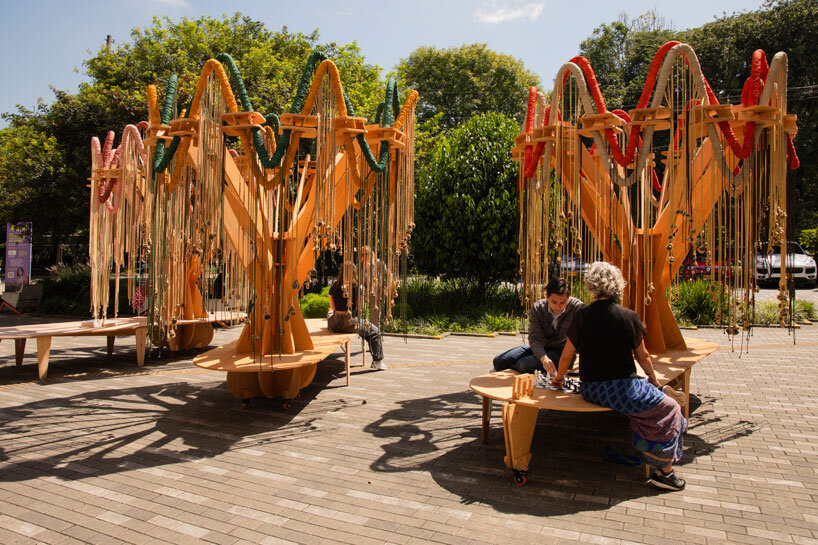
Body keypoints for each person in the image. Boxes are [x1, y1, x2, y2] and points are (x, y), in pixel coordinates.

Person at [547, 262, 687, 491]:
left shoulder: (582, 315)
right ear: (617, 286)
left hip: (591, 388)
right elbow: (642, 356)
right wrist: (653, 377)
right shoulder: (629, 316)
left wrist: (559, 379)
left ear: (592, 286)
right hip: (623, 388)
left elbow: (566, 356)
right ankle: (664, 472)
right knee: (671, 408)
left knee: (650, 396)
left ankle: (657, 396)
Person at [492, 276, 584, 373]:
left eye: (563, 302)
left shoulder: (578, 308)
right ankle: (514, 368)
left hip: (562, 352)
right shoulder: (538, 308)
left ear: (568, 297)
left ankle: (515, 368)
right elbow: (534, 338)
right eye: (554, 302)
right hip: (542, 347)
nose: (558, 306)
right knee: (499, 361)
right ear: (546, 296)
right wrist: (543, 358)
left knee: (524, 364)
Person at [328, 263, 386, 370]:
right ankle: (377, 361)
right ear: (355, 272)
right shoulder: (358, 288)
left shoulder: (333, 287)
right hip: (350, 324)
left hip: (335, 324)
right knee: (375, 332)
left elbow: (333, 308)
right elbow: (361, 308)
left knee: (330, 313)